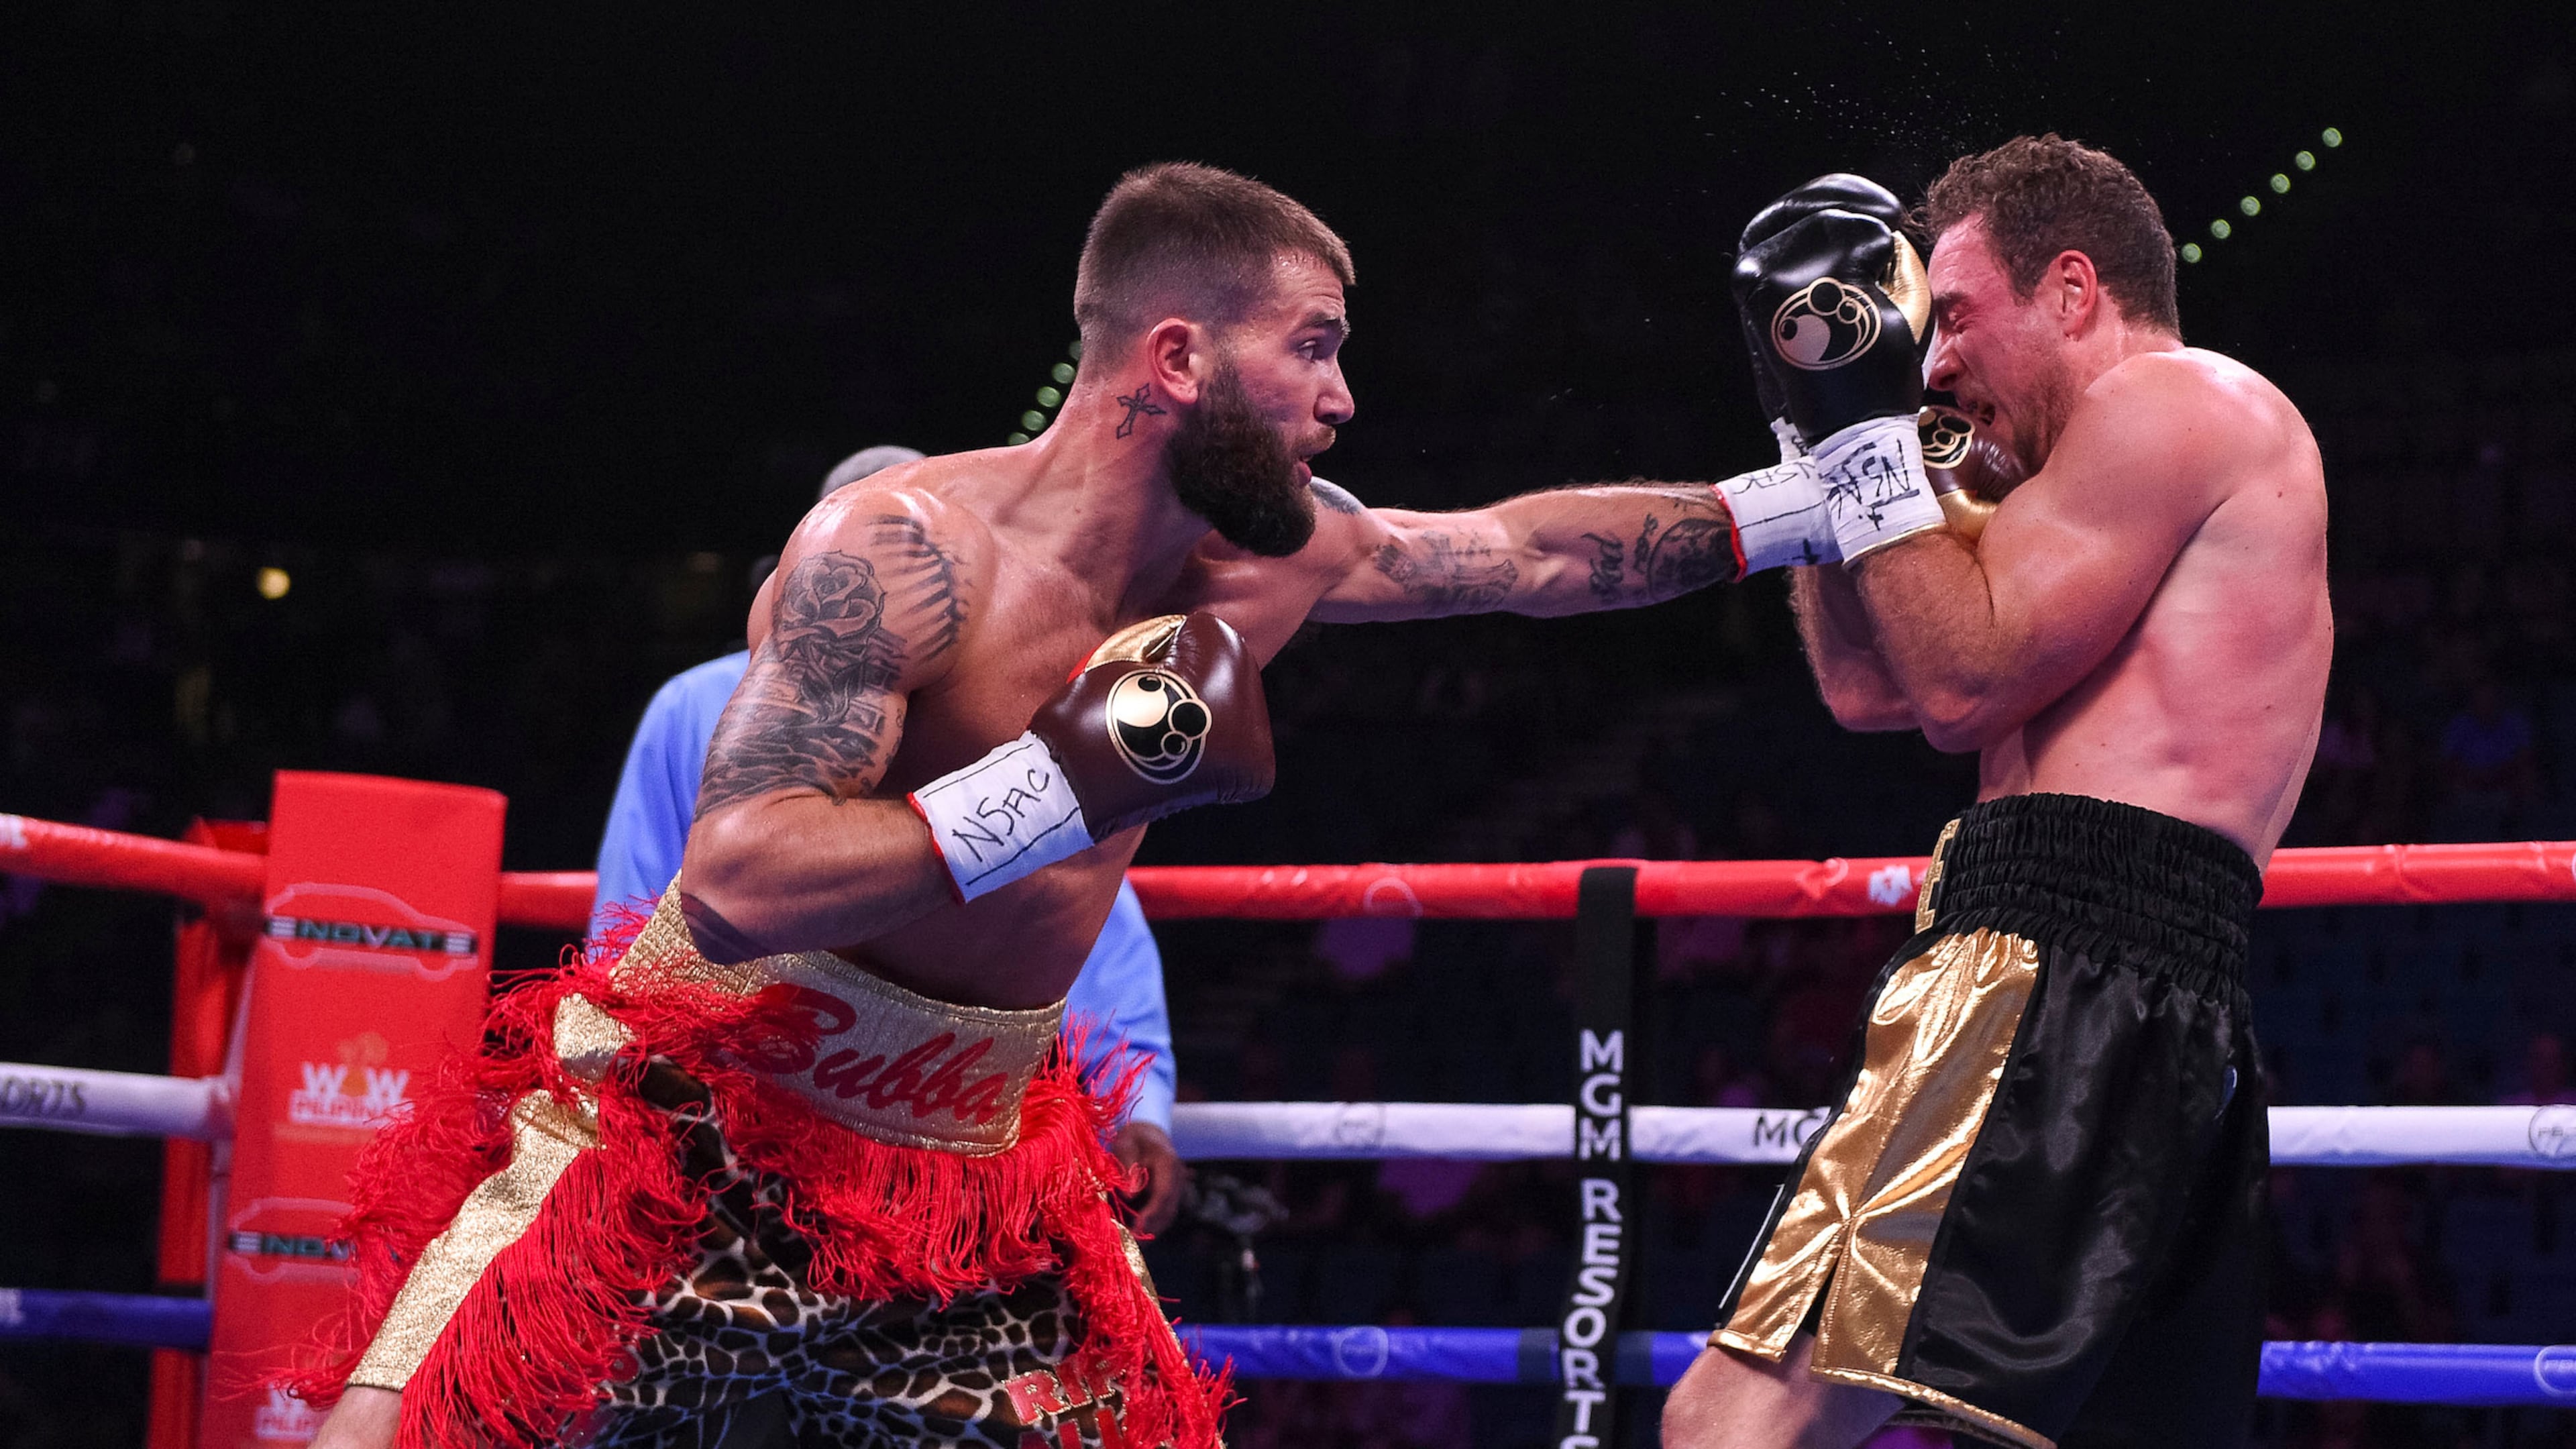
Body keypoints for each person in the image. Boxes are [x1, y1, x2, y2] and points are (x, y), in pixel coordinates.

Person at [304, 160, 1930, 1449]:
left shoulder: (1272, 555)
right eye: (1313, 342)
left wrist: (1836, 480)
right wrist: (1061, 783)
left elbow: (1528, 552)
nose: (1342, 396)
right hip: (708, 1117)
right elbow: (734, 872)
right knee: (400, 1429)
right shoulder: (900, 549)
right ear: (1175, 356)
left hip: (975, 1150)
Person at [1663, 140, 2330, 1449]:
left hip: (2052, 969)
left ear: (2073, 289)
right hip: (2153, 995)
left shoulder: (2175, 402)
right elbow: (1875, 689)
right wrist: (1819, 422)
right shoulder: (2056, 481)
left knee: (1730, 1420)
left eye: (1952, 316)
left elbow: (1960, 685)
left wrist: (1860, 430)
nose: (1933, 363)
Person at [593, 444, 1186, 1236]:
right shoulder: (693, 706)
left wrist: (1139, 1112)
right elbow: (633, 923)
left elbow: (1079, 898)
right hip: (734, 1096)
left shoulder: (1028, 693)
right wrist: (642, 1096)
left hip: (948, 1108)